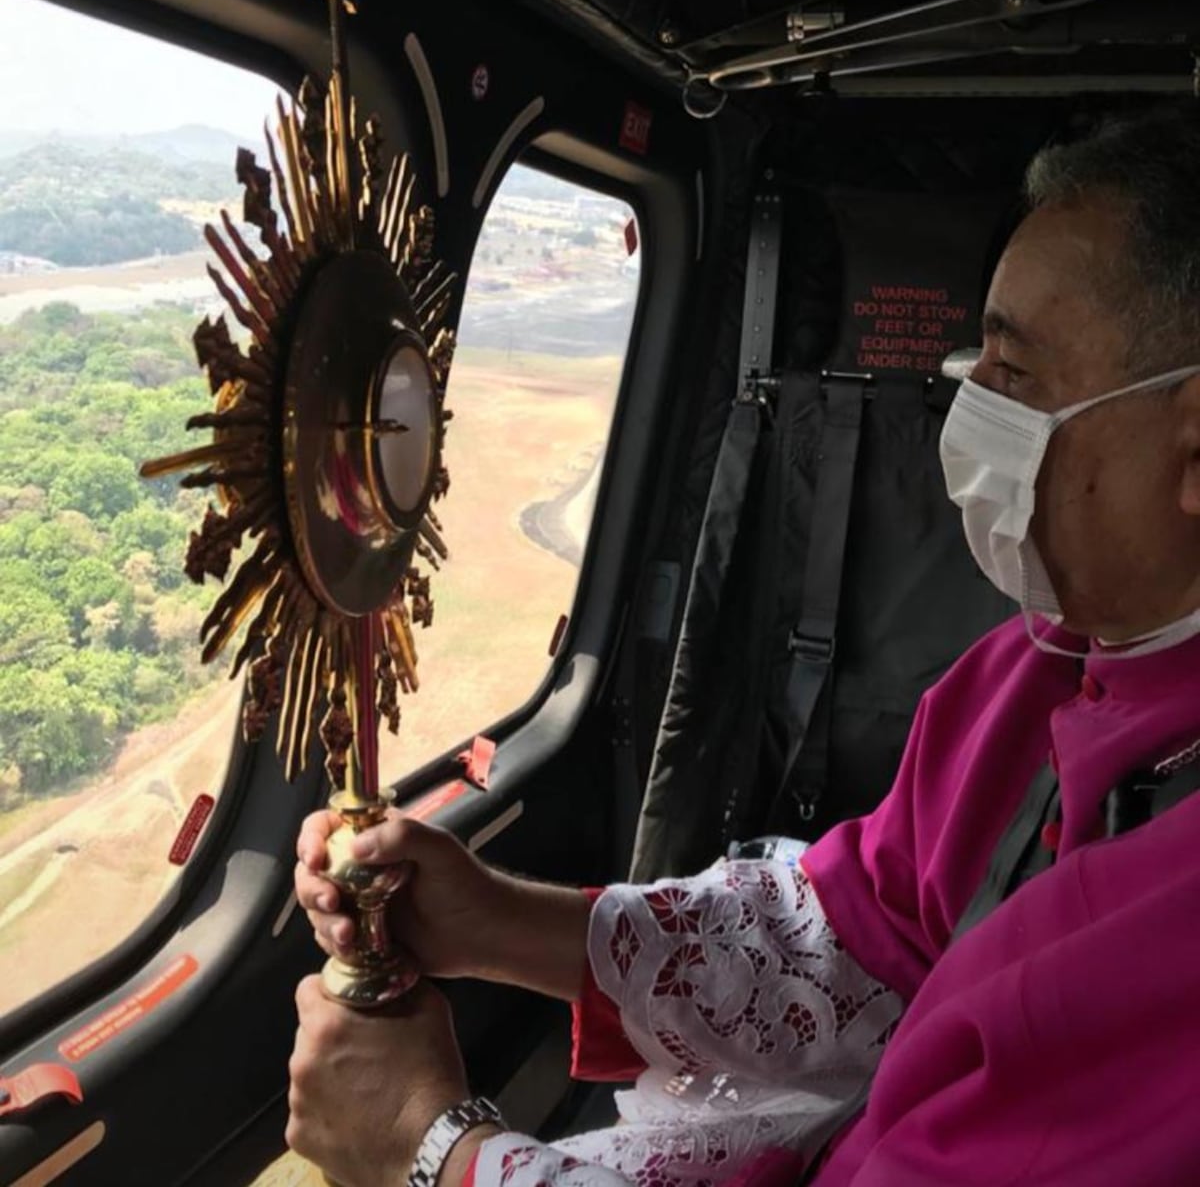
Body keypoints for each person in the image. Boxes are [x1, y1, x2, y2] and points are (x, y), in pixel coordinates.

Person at [289, 113, 1200, 1187]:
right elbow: (859, 936)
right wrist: (501, 921)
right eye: (977, 364)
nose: (967, 415)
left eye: (1014, 378)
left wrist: (428, 1145)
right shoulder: (1036, 672)